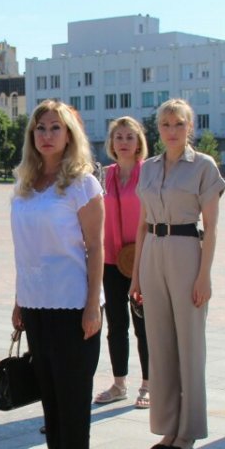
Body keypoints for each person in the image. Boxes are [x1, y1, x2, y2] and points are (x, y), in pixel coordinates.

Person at [10, 100, 104, 449]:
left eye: (55, 128)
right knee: (47, 387)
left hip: (71, 300)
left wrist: (92, 305)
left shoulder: (83, 183)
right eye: (40, 128)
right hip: (35, 301)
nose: (46, 135)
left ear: (69, 135)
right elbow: (23, 248)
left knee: (72, 390)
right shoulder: (26, 183)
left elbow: (96, 248)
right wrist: (18, 301)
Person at [129, 99, 225, 449]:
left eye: (179, 124)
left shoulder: (203, 166)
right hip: (153, 249)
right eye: (166, 124)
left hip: (187, 250)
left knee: (189, 345)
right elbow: (141, 225)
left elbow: (212, 228)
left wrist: (205, 276)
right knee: (160, 344)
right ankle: (168, 427)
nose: (172, 130)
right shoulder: (149, 168)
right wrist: (136, 274)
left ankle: (188, 431)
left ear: (190, 128)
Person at [95, 116, 150, 409]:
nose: (124, 142)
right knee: (116, 324)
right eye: (119, 137)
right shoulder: (105, 175)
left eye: (130, 137)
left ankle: (148, 384)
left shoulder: (150, 173)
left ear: (138, 141)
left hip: (143, 259)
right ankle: (119, 383)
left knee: (144, 325)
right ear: (112, 143)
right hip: (112, 260)